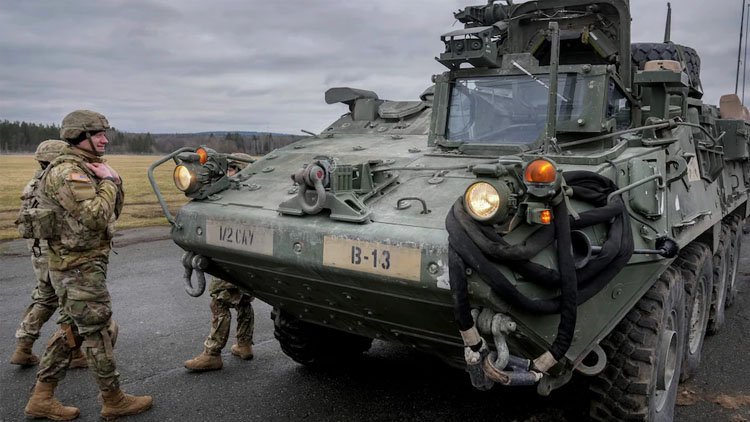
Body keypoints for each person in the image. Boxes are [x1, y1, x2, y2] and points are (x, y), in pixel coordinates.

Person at [24, 110, 153, 421]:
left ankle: (42, 397)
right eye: (97, 134)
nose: (104, 139)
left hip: (81, 263)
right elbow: (95, 216)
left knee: (72, 330)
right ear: (79, 137)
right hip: (76, 266)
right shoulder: (69, 172)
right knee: (100, 329)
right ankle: (114, 399)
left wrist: (113, 180)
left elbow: (112, 212)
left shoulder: (86, 167)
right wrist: (109, 182)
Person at [10, 140, 88, 370]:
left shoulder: (34, 183)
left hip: (37, 248)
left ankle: (23, 346)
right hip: (55, 249)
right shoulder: (60, 182)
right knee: (67, 300)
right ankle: (72, 352)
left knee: (45, 296)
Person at [184, 158, 255, 371]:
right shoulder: (251, 194)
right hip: (248, 259)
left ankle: (212, 353)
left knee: (219, 302)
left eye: (233, 169)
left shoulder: (231, 195)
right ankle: (244, 345)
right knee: (243, 302)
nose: (228, 173)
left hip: (230, 259)